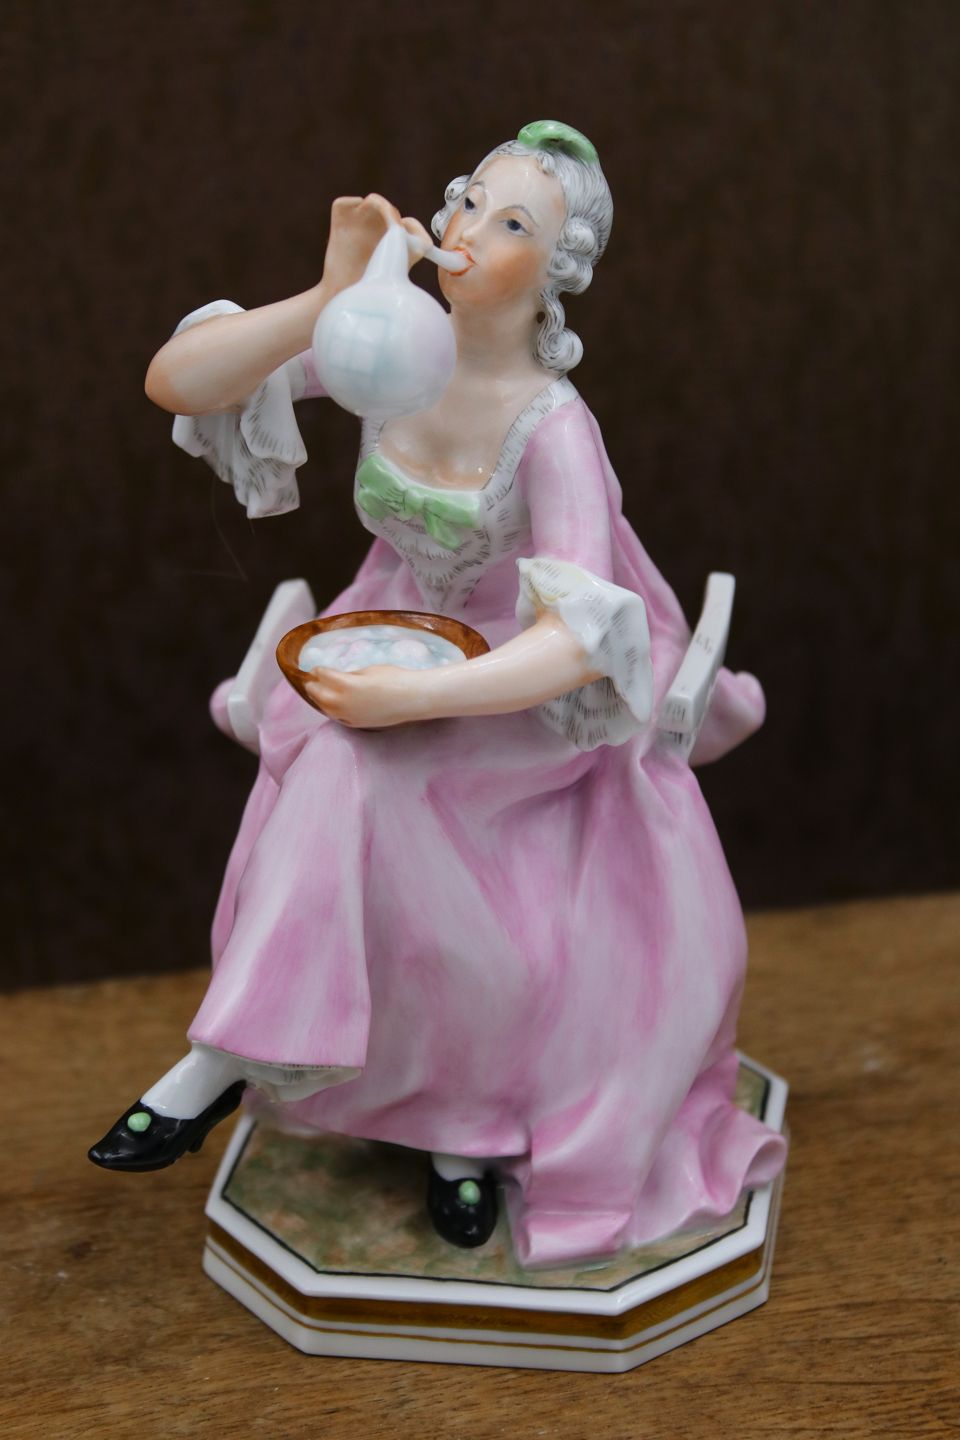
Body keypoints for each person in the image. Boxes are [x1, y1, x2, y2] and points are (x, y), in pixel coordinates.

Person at [89, 121, 786, 1269]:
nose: (466, 228)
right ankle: (282, 1075)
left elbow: (580, 639)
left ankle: (432, 1119)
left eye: (511, 223)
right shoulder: (390, 348)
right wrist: (327, 299)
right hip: (389, 634)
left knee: (398, 821)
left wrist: (426, 700)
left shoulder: (554, 430)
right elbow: (181, 379)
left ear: (556, 272)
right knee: (342, 768)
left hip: (514, 691)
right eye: (468, 200)